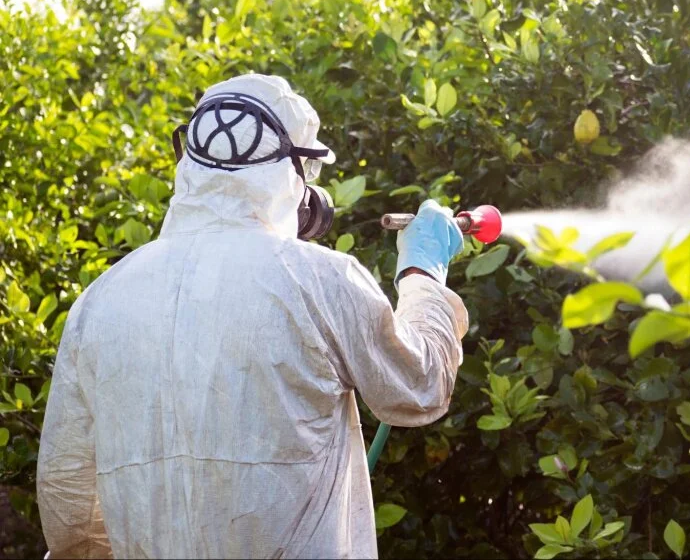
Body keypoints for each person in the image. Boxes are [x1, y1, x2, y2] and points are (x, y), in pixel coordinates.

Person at [36, 74, 468, 559]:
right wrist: (423, 272)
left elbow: (69, 505)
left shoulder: (99, 301)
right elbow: (420, 385)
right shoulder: (322, 280)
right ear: (291, 174)